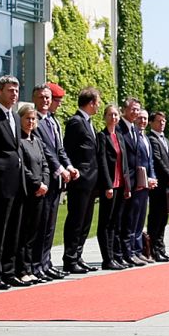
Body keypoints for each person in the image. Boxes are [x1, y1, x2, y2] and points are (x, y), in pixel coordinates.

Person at [0, 76, 29, 289]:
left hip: (17, 180)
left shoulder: (16, 118)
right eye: (10, 90)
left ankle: (9, 271)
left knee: (13, 229)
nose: (14, 94)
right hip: (0, 181)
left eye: (16, 90)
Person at [30, 85, 73, 280]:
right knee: (39, 224)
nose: (45, 101)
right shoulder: (34, 120)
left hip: (56, 180)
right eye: (41, 97)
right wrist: (59, 168)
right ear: (34, 99)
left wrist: (69, 166)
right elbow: (46, 150)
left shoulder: (53, 121)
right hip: (43, 177)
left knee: (50, 225)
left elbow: (59, 149)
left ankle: (46, 263)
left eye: (48, 98)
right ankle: (36, 264)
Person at [61, 87, 103, 274]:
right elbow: (68, 150)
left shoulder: (89, 123)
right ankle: (70, 258)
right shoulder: (75, 122)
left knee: (85, 221)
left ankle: (78, 255)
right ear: (91, 102)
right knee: (76, 220)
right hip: (80, 180)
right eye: (98, 102)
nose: (99, 105)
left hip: (91, 181)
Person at [15, 102, 53, 282]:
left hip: (41, 192)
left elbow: (45, 164)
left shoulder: (36, 141)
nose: (31, 122)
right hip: (27, 191)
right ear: (20, 119)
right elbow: (23, 167)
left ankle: (31, 268)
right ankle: (22, 269)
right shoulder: (19, 141)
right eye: (27, 118)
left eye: (33, 119)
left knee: (34, 233)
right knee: (23, 233)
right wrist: (37, 184)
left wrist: (45, 182)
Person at [95, 104, 131, 270]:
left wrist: (127, 186)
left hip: (121, 184)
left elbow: (124, 163)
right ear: (105, 117)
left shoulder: (120, 136)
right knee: (106, 222)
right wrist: (108, 185)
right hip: (110, 185)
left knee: (115, 223)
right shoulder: (102, 136)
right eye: (110, 115)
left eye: (116, 115)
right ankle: (107, 258)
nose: (114, 118)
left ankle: (115, 256)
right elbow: (102, 161)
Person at [121, 102, 157, 265]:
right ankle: (131, 250)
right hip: (136, 182)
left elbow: (150, 162)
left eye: (145, 118)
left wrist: (152, 177)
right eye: (140, 117)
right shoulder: (132, 134)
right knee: (132, 217)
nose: (142, 121)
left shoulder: (145, 138)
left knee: (140, 218)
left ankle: (137, 249)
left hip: (146, 183)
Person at [146, 110, 169, 262]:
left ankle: (161, 248)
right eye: (159, 121)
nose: (162, 124)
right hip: (159, 185)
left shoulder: (165, 140)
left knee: (164, 218)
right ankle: (154, 249)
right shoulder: (152, 139)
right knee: (156, 217)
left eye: (164, 121)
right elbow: (158, 161)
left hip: (168, 185)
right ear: (152, 123)